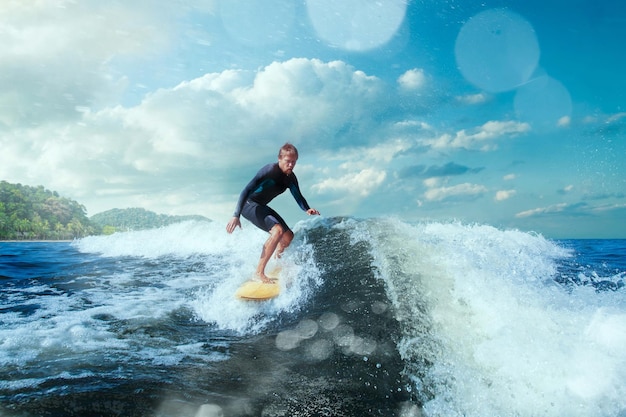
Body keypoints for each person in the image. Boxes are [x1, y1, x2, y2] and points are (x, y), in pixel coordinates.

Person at [226, 143, 320, 283]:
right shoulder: (269, 170)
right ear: (280, 158)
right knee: (277, 231)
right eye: (288, 161)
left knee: (288, 236)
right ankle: (258, 273)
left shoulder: (290, 178)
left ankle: (277, 259)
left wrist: (307, 208)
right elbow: (246, 190)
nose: (291, 165)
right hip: (249, 205)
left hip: (261, 206)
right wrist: (236, 215)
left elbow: (298, 196)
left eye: (294, 162)